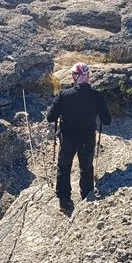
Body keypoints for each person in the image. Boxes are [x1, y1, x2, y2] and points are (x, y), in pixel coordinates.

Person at [46, 62, 112, 214]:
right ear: (88, 77)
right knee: (86, 168)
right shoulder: (97, 96)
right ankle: (86, 198)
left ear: (73, 77)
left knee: (64, 167)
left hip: (67, 139)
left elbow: (50, 118)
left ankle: (64, 200)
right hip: (86, 139)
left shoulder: (64, 95)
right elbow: (107, 121)